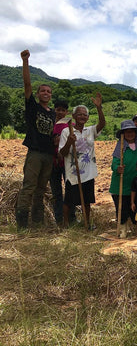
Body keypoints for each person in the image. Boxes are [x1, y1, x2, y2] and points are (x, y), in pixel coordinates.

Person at [16, 50, 56, 229]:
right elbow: (26, 84)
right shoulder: (32, 106)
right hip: (35, 153)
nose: (46, 93)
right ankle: (22, 225)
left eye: (48, 91)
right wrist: (25, 61)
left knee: (41, 190)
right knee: (29, 187)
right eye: (43, 91)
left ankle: (38, 222)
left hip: (49, 155)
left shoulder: (54, 114)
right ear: (38, 94)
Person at [59, 95, 106, 227]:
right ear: (73, 116)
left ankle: (86, 222)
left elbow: (102, 124)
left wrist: (99, 108)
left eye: (85, 115)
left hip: (88, 171)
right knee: (69, 200)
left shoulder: (90, 130)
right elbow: (62, 153)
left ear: (88, 118)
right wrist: (69, 141)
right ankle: (66, 224)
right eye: (79, 114)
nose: (82, 116)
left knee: (86, 200)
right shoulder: (66, 131)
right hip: (73, 172)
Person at [110, 120, 137, 238]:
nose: (130, 134)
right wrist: (117, 168)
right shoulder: (121, 147)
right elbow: (114, 163)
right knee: (122, 208)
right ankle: (122, 229)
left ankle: (135, 227)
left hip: (135, 185)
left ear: (135, 133)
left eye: (132, 132)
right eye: (127, 132)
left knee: (134, 208)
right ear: (123, 134)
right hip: (120, 184)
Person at [49, 99, 73, 225]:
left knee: (70, 191)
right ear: (55, 110)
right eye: (58, 109)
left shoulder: (70, 125)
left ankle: (71, 218)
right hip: (52, 162)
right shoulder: (50, 123)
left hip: (66, 163)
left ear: (66, 112)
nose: (61, 112)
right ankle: (59, 220)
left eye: (63, 110)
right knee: (56, 192)